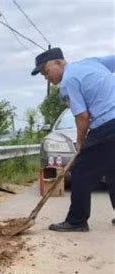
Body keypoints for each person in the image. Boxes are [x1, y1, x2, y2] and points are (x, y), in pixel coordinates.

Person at [31, 48, 115, 231]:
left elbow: (82, 116)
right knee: (112, 168)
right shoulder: (90, 62)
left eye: (46, 72)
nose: (47, 78)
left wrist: (80, 143)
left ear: (59, 63)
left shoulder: (68, 82)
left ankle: (77, 221)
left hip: (107, 124)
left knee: (81, 171)